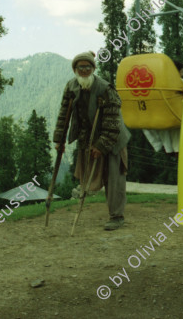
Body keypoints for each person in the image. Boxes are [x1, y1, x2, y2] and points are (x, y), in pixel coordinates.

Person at [53, 51, 131, 231]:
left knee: (113, 178)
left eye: (88, 67)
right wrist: (60, 140)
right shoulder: (71, 87)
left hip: (113, 139)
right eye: (81, 67)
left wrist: (102, 145)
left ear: (94, 68)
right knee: (90, 176)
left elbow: (114, 121)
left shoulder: (105, 88)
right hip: (87, 139)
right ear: (75, 69)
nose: (85, 70)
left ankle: (117, 216)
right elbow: (64, 114)